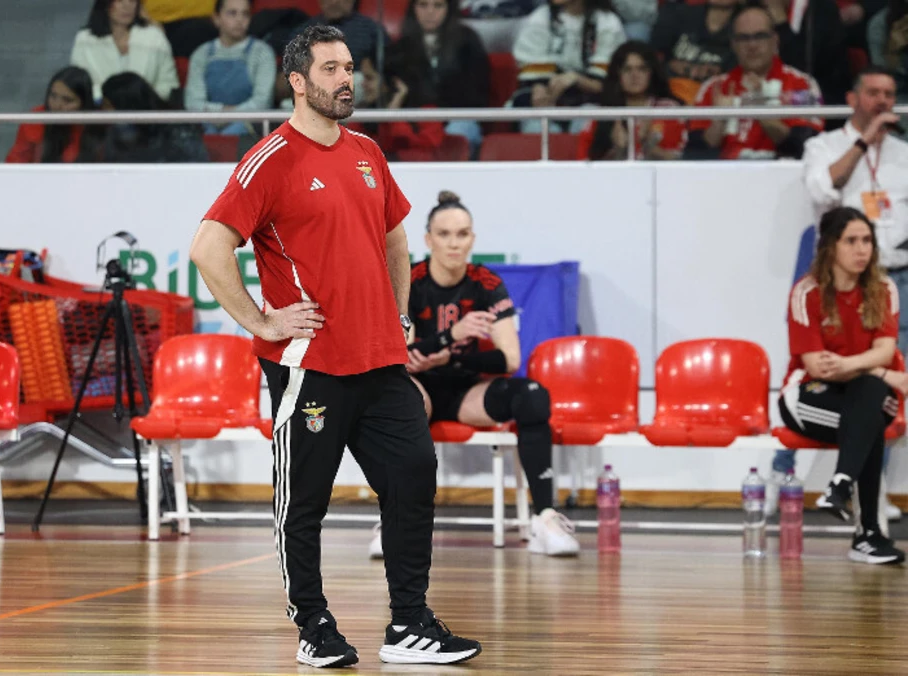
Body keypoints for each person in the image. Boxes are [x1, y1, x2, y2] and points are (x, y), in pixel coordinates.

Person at [189, 24, 482, 668]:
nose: (346, 79)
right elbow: (208, 248)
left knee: (413, 478)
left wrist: (399, 312)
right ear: (297, 81)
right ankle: (314, 626)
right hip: (309, 367)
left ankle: (409, 625)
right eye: (329, 69)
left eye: (349, 67)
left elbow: (398, 238)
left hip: (380, 360)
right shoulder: (271, 159)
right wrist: (260, 322)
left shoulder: (367, 151)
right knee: (304, 505)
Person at [366, 190, 580, 560]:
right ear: (428, 239)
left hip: (468, 390)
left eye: (462, 234)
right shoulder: (410, 281)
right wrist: (454, 335)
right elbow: (402, 358)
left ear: (473, 239)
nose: (454, 243)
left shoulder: (486, 284)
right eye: (445, 234)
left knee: (531, 395)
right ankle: (394, 519)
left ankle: (544, 517)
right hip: (422, 390)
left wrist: (454, 358)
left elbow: (509, 360)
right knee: (396, 398)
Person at [769, 66, 908, 521]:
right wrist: (865, 140)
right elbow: (822, 190)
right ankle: (782, 473)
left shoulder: (904, 155)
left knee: (880, 379)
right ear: (853, 97)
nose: (883, 101)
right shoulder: (823, 145)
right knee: (818, 371)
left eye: (889, 94)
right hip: (831, 278)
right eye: (873, 93)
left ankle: (873, 492)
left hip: (891, 276)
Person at [780, 206, 907, 565]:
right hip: (807, 396)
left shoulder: (884, 289)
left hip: (860, 396)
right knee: (869, 415)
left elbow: (883, 351)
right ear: (831, 247)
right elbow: (817, 367)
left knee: (869, 404)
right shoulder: (806, 292)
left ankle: (840, 485)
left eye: (867, 240)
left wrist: (859, 366)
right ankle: (868, 535)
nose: (861, 249)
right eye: (851, 241)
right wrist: (880, 373)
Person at [687, 6, 823, 160]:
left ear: (775, 40)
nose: (752, 45)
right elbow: (692, 154)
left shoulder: (803, 84)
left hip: (782, 177)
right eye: (743, 38)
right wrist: (719, 120)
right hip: (724, 178)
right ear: (733, 44)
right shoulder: (713, 87)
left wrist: (760, 107)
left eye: (760, 36)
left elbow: (805, 147)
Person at [384, 0, 491, 155]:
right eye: (423, 5)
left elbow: (478, 92)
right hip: (416, 122)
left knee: (457, 132)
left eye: (438, 5)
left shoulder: (468, 41)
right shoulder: (400, 48)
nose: (430, 12)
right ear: (413, 9)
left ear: (449, 9)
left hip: (459, 118)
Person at [509, 0, 627, 134]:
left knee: (587, 119)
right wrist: (538, 88)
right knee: (536, 127)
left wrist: (576, 79)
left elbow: (609, 84)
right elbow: (531, 74)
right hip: (548, 102)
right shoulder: (539, 18)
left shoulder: (607, 22)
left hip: (591, 101)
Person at [577, 41, 685, 161]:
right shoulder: (601, 115)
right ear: (618, 74)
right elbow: (585, 168)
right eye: (627, 69)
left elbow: (681, 164)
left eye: (642, 69)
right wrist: (619, 151)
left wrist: (648, 146)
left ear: (652, 73)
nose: (634, 75)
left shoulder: (668, 111)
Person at [184, 0, 277, 136]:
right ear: (216, 19)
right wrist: (225, 113)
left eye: (245, 14)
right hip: (206, 127)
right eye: (232, 13)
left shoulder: (263, 53)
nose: (240, 20)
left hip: (249, 132)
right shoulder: (201, 54)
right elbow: (193, 103)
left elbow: (262, 103)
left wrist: (222, 114)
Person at [71, 0, 180, 102]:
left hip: (146, 113)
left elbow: (168, 84)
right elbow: (81, 83)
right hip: (101, 113)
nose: (127, 5)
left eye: (132, 0)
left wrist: (144, 99)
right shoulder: (85, 39)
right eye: (119, 0)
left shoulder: (154, 37)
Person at [94, 72, 208, 162]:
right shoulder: (115, 132)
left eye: (108, 105)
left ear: (127, 105)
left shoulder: (179, 130)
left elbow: (195, 172)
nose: (104, 110)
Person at [650, 0, 740, 105]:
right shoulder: (681, 13)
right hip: (670, 95)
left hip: (716, 98)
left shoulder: (745, 24)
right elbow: (657, 54)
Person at [6, 66, 97, 164]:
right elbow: (15, 162)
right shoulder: (36, 119)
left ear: (83, 104)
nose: (57, 105)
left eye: (67, 100)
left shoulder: (98, 123)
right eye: (53, 96)